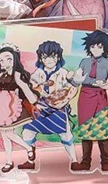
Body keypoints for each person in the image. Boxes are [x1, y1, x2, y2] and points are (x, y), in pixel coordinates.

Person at [13, 40, 79, 171]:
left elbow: (71, 89)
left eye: (52, 56)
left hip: (58, 107)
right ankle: (30, 160)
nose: (48, 60)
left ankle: (74, 161)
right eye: (45, 57)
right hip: (40, 106)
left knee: (66, 134)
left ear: (58, 57)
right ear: (41, 59)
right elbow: (31, 87)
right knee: (28, 131)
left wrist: (62, 100)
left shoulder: (63, 73)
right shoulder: (38, 73)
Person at [0, 45, 37, 172]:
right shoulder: (0, 74)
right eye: (1, 60)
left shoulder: (18, 74)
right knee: (4, 135)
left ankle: (28, 148)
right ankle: (9, 161)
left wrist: (33, 101)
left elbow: (25, 89)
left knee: (8, 133)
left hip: (11, 104)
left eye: (8, 59)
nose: (4, 62)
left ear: (15, 59)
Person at [69, 30, 108, 172]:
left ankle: (106, 161)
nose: (95, 49)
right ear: (89, 47)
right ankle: (85, 162)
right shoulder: (84, 62)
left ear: (104, 47)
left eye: (99, 46)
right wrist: (72, 79)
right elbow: (76, 81)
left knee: (102, 131)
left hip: (99, 97)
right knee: (85, 131)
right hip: (85, 97)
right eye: (93, 46)